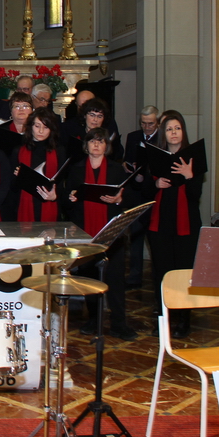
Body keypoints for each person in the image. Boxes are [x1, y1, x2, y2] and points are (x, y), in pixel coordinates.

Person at [66, 127, 137, 340]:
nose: (96, 145)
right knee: (88, 277)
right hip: (86, 231)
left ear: (107, 146)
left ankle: (118, 322)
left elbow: (131, 197)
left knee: (115, 279)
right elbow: (67, 200)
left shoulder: (117, 170)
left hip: (111, 232)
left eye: (101, 141)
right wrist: (70, 198)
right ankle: (93, 320)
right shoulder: (76, 169)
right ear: (86, 145)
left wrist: (119, 200)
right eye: (92, 141)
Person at [146, 110, 203, 339]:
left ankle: (184, 320)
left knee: (183, 273)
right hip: (159, 225)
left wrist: (189, 176)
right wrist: (156, 183)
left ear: (183, 131)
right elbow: (144, 192)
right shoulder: (155, 158)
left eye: (177, 128)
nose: (174, 132)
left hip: (186, 225)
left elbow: (196, 195)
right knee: (162, 272)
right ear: (163, 133)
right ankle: (163, 317)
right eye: (169, 129)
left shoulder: (193, 158)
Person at [122, 105, 160, 288]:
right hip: (136, 194)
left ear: (158, 122)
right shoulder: (133, 137)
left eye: (151, 124)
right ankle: (135, 275)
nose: (147, 127)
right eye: (144, 123)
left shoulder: (162, 139)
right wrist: (128, 167)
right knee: (135, 237)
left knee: (156, 241)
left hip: (155, 195)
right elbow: (127, 158)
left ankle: (157, 277)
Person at [8, 107, 66, 221]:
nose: (40, 131)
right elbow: (12, 188)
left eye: (45, 127)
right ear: (30, 127)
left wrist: (55, 196)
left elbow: (61, 183)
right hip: (24, 206)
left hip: (50, 206)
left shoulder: (59, 151)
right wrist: (19, 177)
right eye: (37, 126)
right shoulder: (18, 151)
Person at [62, 97, 123, 164]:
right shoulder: (73, 133)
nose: (95, 120)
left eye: (100, 116)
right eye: (92, 115)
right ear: (85, 115)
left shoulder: (109, 135)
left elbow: (118, 154)